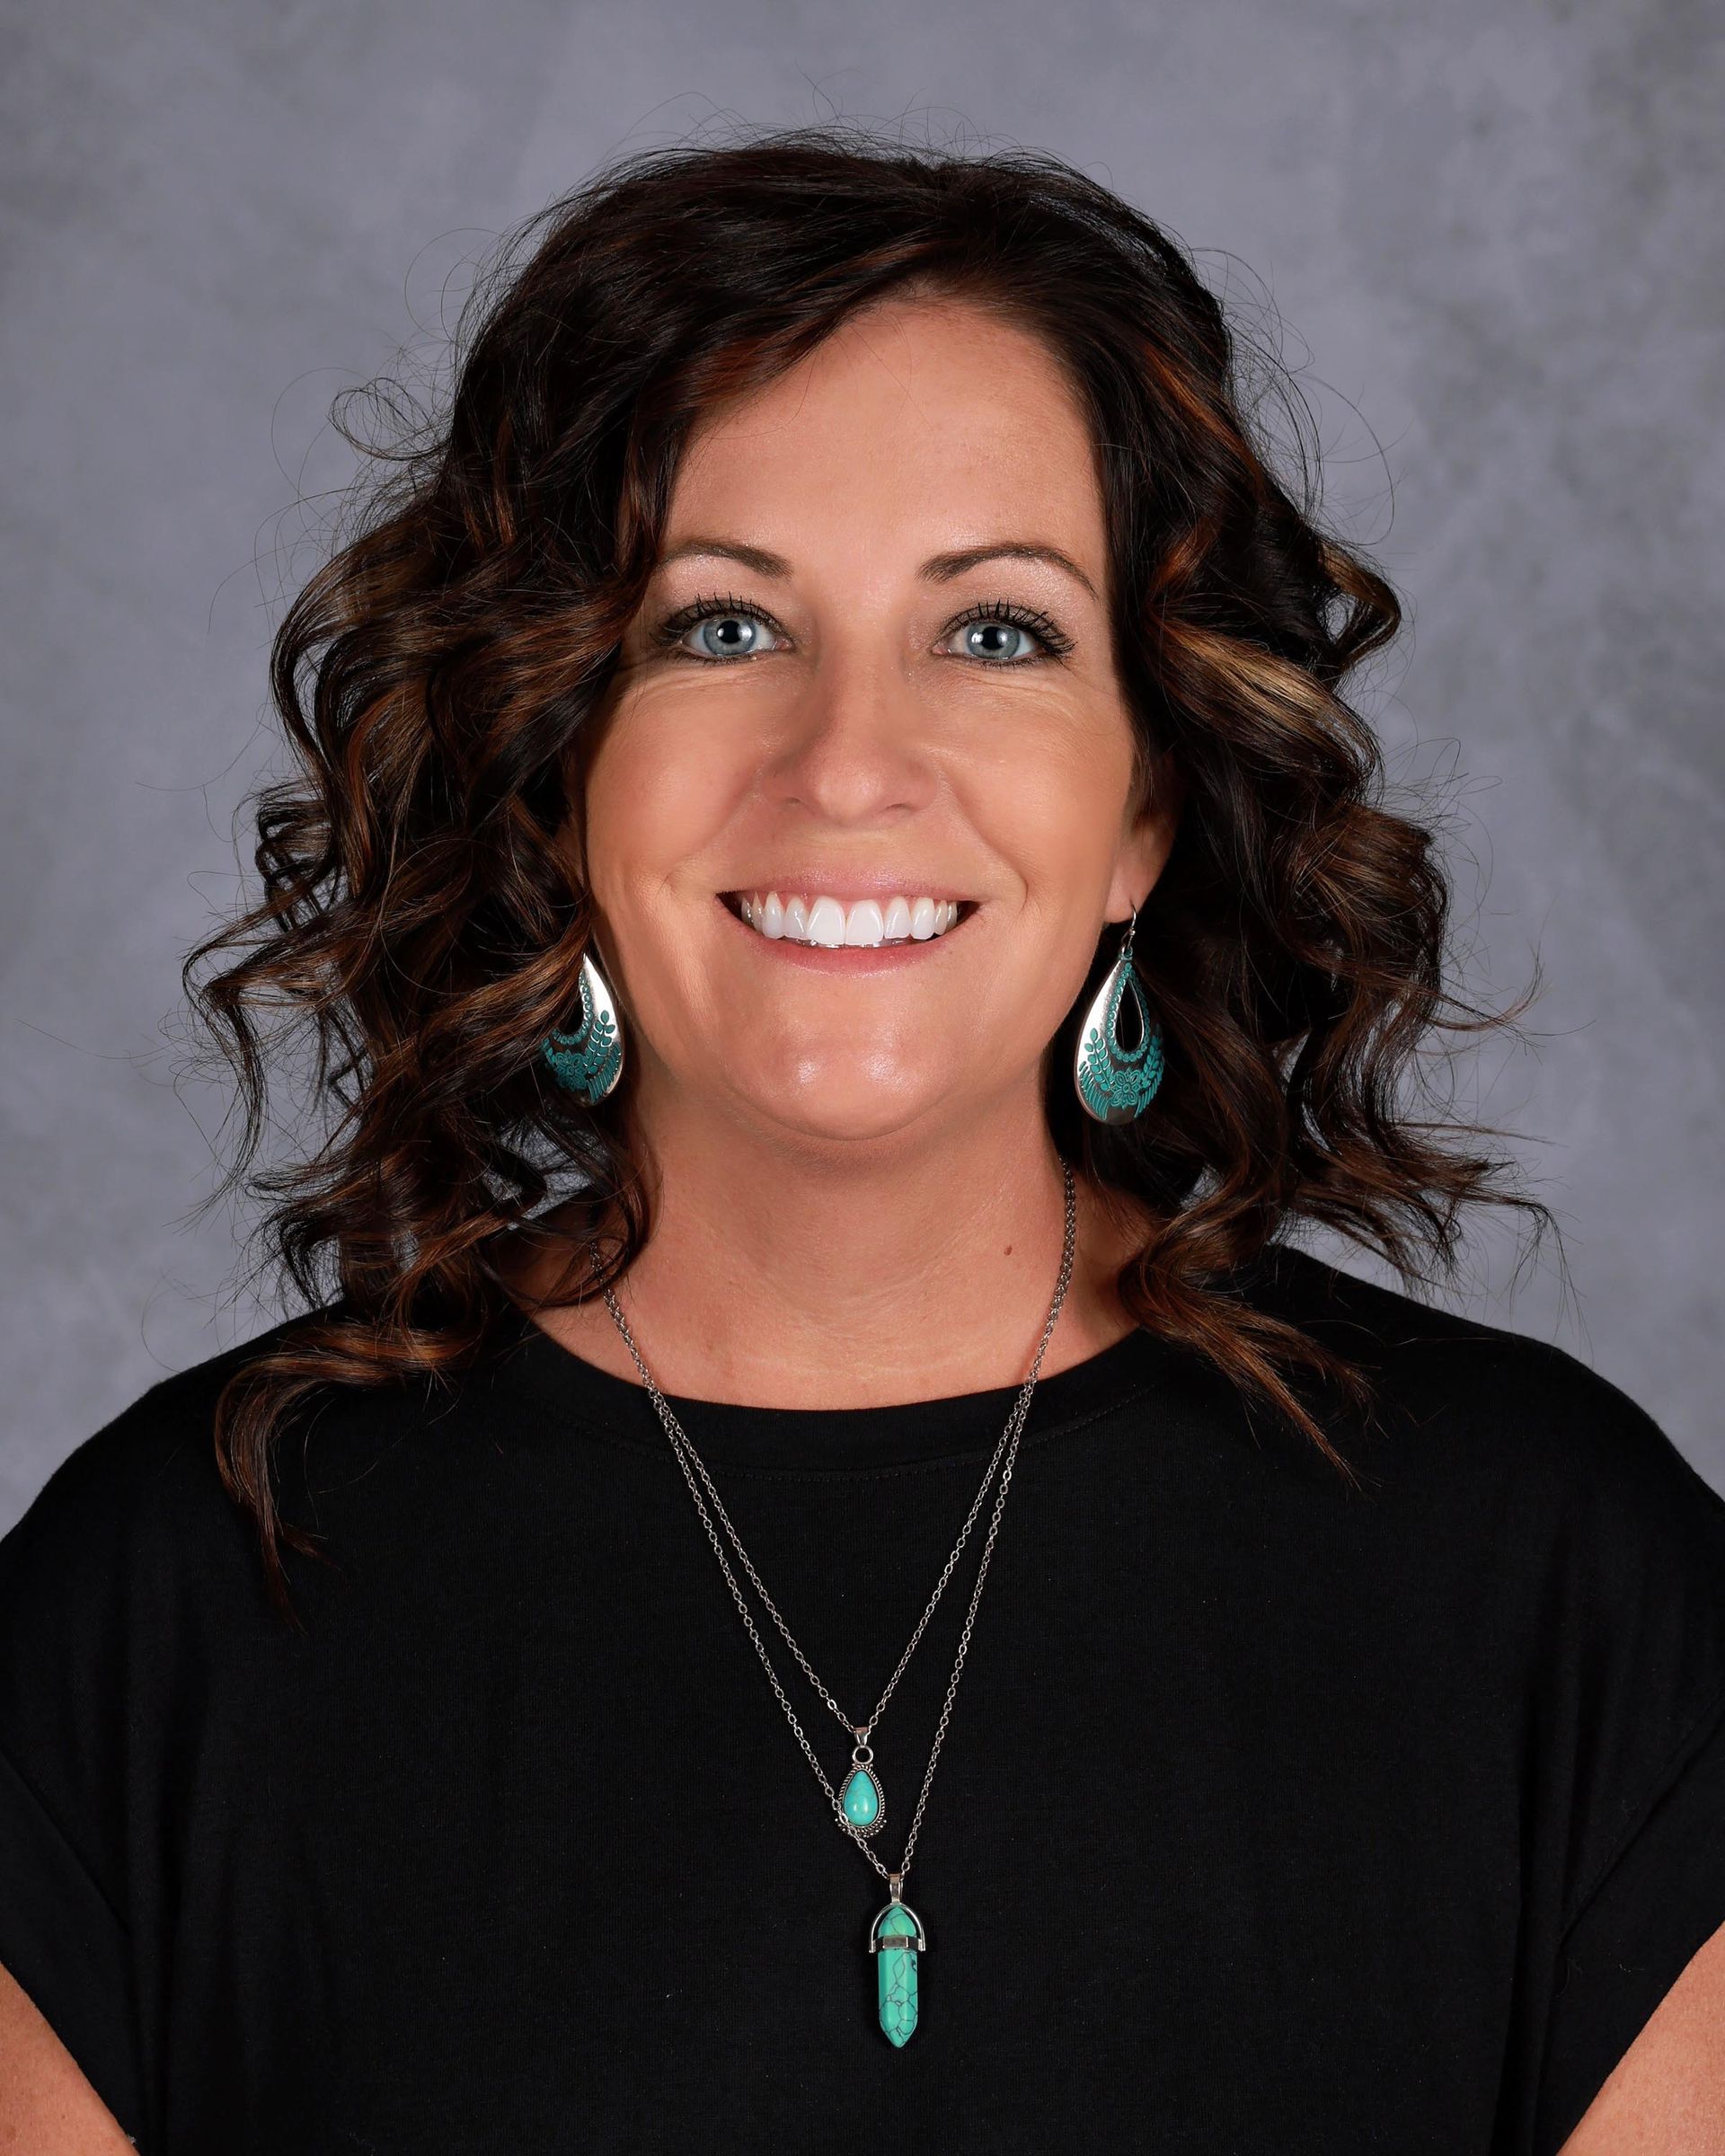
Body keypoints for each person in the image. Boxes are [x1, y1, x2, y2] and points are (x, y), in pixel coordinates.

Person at [2, 127, 1721, 2156]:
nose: (846, 767)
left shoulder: (1562, 1581)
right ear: (555, 768)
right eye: (721, 628)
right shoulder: (165, 1604)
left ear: (1148, 806)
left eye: (995, 634)